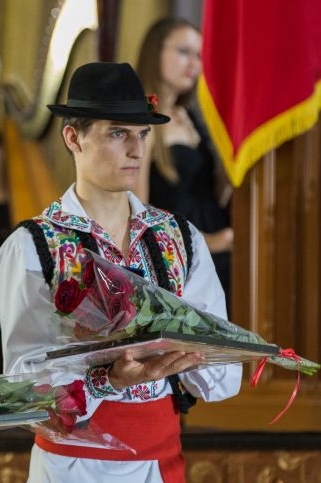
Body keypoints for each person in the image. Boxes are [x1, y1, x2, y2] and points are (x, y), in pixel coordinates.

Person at [0, 62, 242, 483]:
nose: (137, 150)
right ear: (73, 138)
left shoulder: (179, 236)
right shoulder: (33, 246)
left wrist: (184, 355)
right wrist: (106, 380)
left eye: (142, 134)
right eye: (117, 133)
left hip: (161, 460)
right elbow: (23, 390)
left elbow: (222, 380)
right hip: (72, 468)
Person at [135, 18, 233, 311]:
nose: (194, 63)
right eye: (183, 51)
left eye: (199, 55)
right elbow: (136, 212)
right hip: (179, 251)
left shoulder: (189, 116)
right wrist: (209, 242)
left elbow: (212, 193)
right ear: (156, 53)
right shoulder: (143, 120)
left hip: (218, 237)